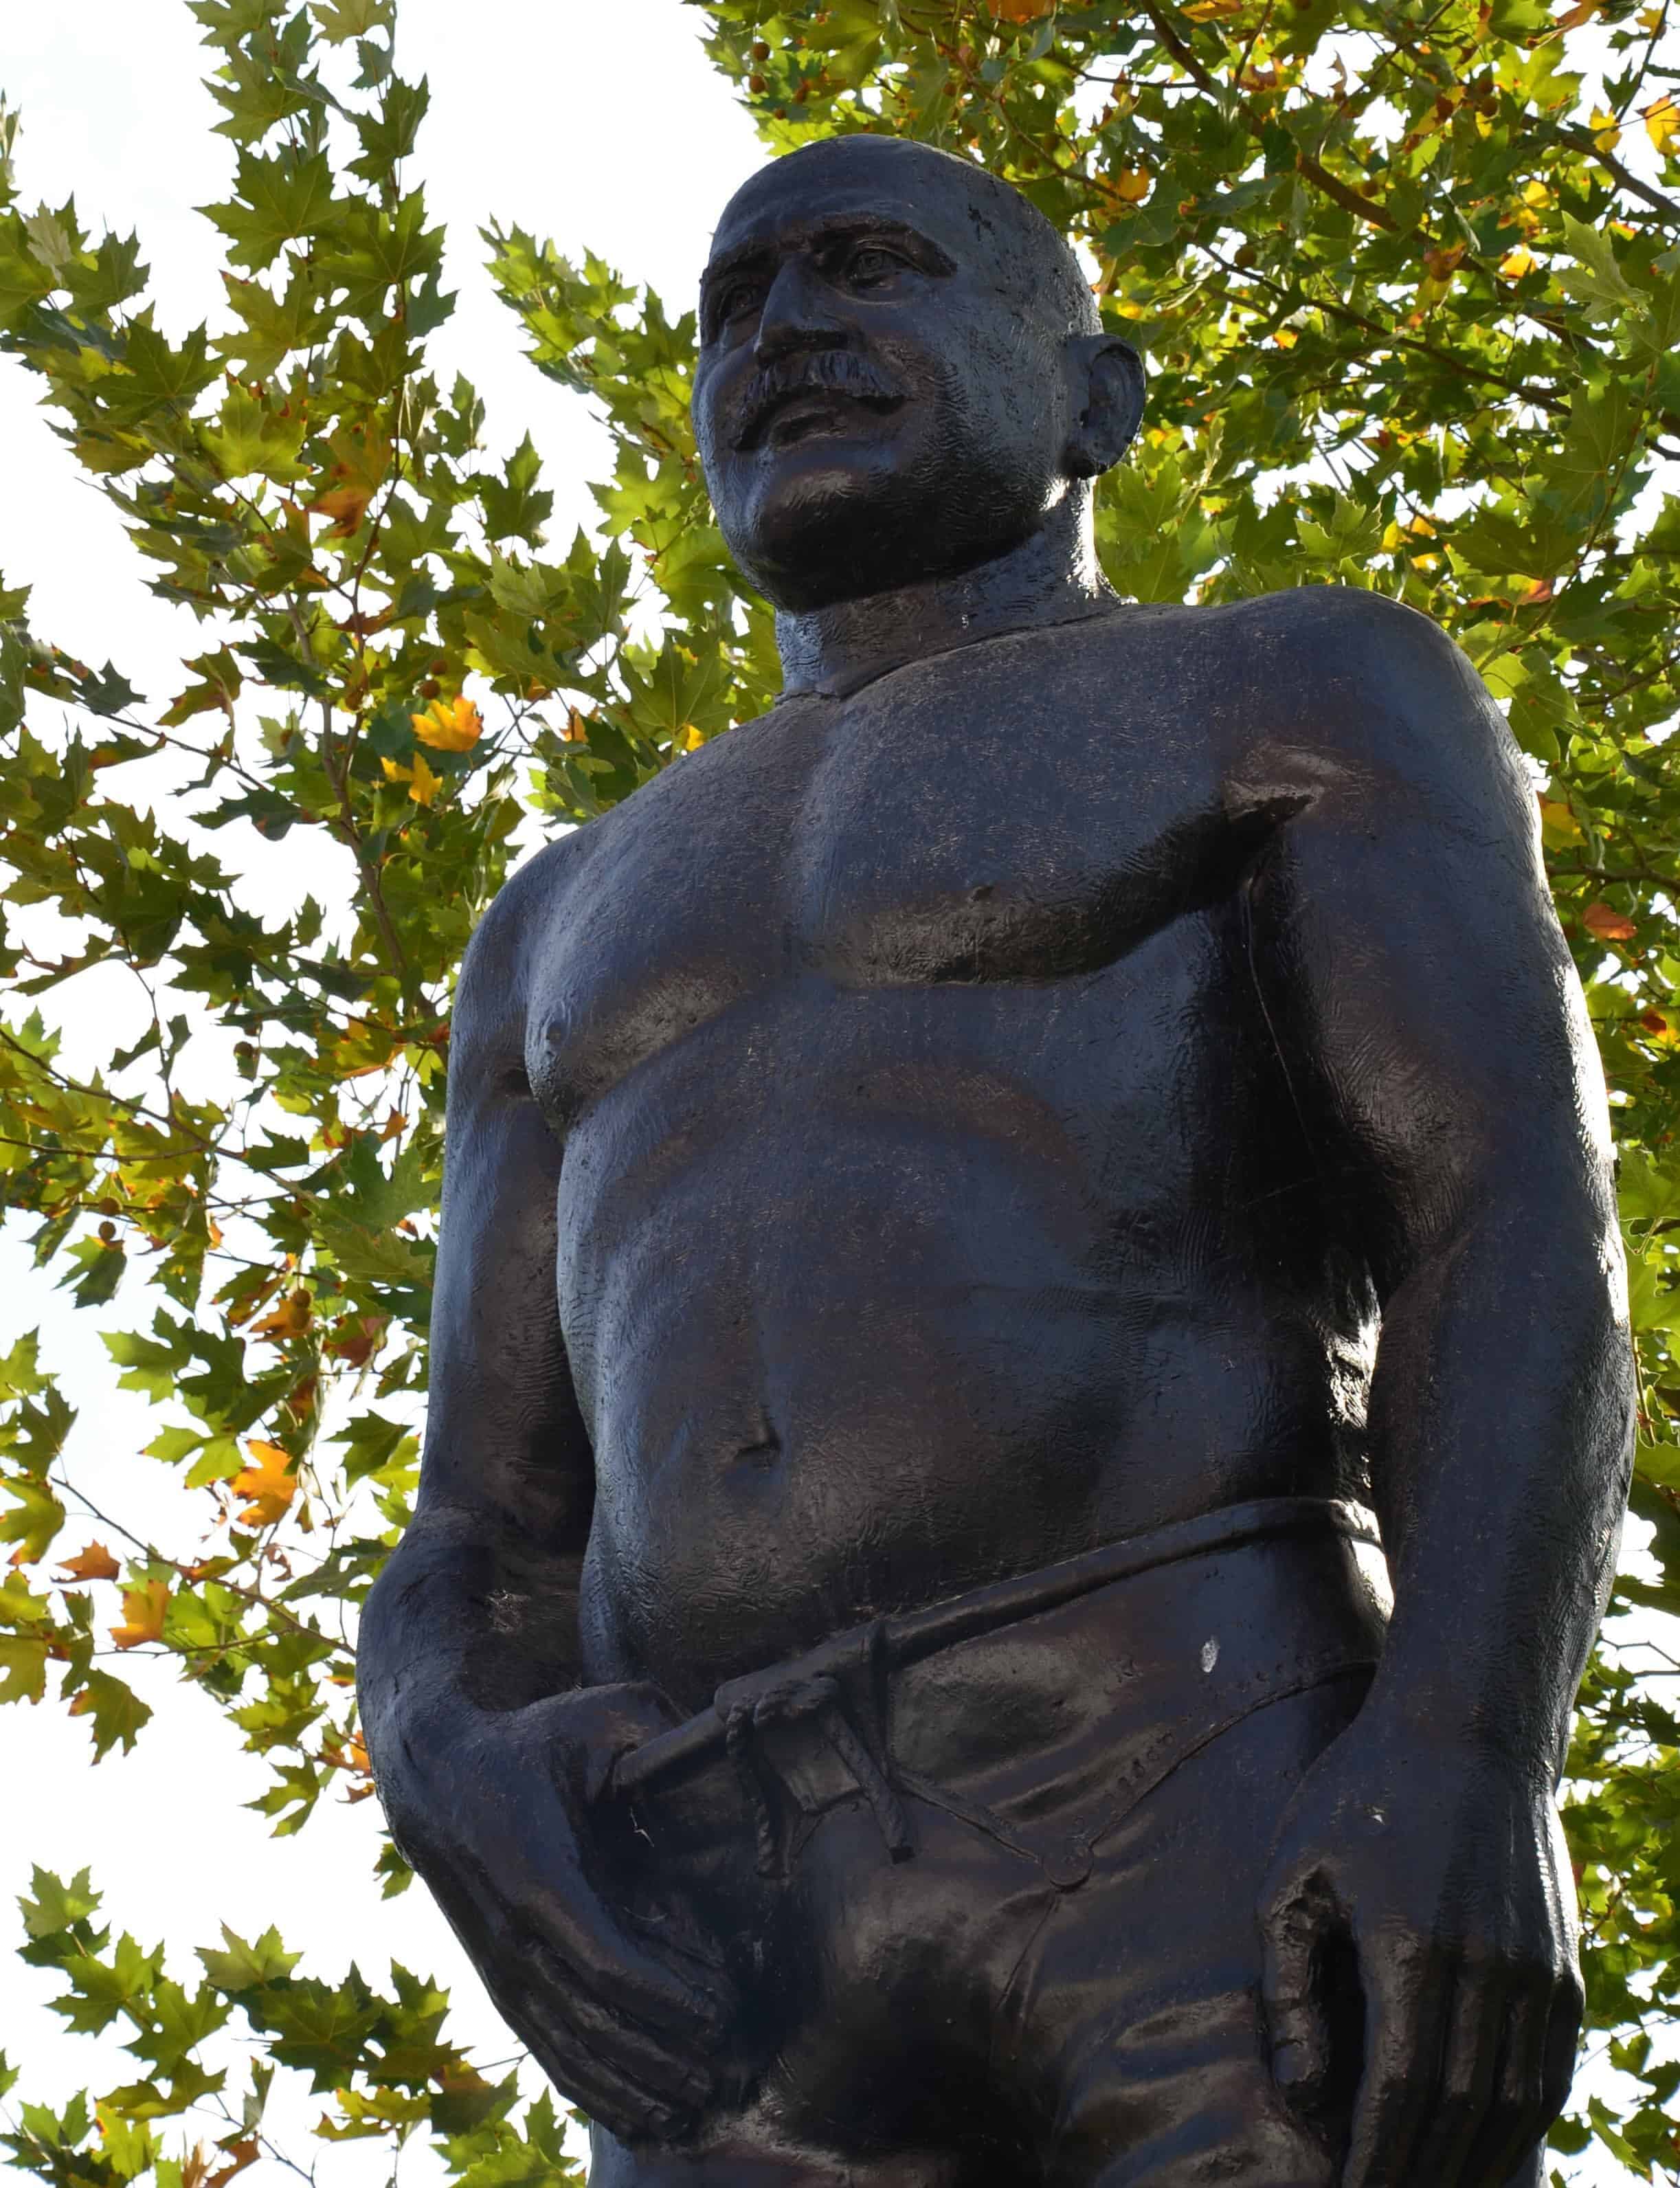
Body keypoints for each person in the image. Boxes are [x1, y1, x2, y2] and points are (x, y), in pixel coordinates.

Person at [357, 135, 1635, 2188]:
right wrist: (435, 1758)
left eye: (871, 270)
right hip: (711, 1918)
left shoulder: (1285, 687)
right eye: (733, 312)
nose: (782, 335)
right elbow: (482, 1524)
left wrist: (1467, 1748)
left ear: (1098, 397)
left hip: (1185, 1774)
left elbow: (1503, 1213)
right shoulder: (559, 913)